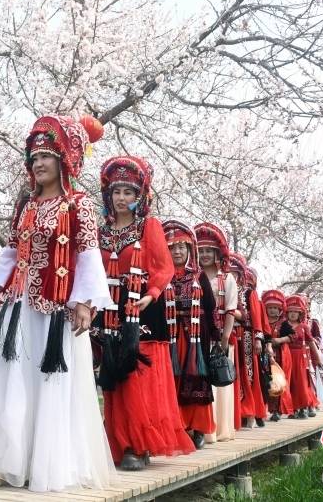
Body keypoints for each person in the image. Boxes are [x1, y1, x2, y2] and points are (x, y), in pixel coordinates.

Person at [0, 114, 114, 492]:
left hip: (55, 309)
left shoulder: (79, 205)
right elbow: (10, 251)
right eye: (34, 156)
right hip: (18, 305)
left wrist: (84, 301)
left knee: (49, 383)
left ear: (65, 158)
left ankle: (47, 461)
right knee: (10, 380)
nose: (38, 163)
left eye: (47, 155)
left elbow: (87, 254)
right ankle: (7, 461)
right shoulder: (27, 205)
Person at [96, 157, 194, 470]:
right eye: (116, 191)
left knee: (139, 376)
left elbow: (164, 267)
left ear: (140, 196)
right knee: (115, 377)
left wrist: (150, 296)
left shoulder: (147, 226)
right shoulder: (102, 232)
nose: (121, 197)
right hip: (110, 307)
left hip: (143, 309)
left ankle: (139, 445)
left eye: (128, 191)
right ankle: (120, 441)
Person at [163, 220, 215, 449]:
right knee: (173, 381)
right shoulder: (162, 275)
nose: (177, 252)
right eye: (172, 247)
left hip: (196, 336)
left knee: (196, 379)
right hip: (171, 335)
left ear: (189, 249)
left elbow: (211, 306)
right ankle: (177, 426)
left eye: (181, 247)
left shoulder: (199, 276)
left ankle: (198, 428)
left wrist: (214, 336)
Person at [193, 222, 238, 443]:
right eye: (200, 251)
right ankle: (202, 427)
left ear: (217, 253)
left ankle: (218, 429)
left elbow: (231, 309)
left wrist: (225, 338)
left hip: (219, 337)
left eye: (209, 251)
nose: (205, 255)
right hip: (197, 334)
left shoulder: (227, 278)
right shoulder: (192, 276)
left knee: (219, 382)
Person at [229, 254, 269, 428]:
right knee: (232, 373)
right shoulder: (223, 286)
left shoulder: (248, 292)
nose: (232, 275)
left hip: (246, 335)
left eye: (235, 272)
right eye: (228, 272)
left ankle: (249, 411)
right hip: (228, 333)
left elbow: (256, 318)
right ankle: (234, 412)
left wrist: (259, 339)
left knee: (248, 375)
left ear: (240, 274)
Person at [283, 295, 320, 419]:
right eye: (291, 312)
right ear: (287, 313)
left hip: (300, 357)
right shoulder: (283, 326)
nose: (293, 314)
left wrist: (317, 358)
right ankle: (292, 408)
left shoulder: (304, 327)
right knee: (290, 383)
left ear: (300, 314)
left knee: (301, 382)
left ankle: (303, 407)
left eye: (296, 312)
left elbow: (311, 342)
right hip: (286, 356)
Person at [261, 289, 295, 421]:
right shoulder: (262, 321)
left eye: (275, 308)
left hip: (280, 356)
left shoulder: (284, 323)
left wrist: (280, 340)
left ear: (280, 309)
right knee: (266, 382)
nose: (273, 310)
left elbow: (293, 336)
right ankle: (264, 410)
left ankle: (277, 410)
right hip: (264, 355)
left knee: (278, 382)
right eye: (270, 307)